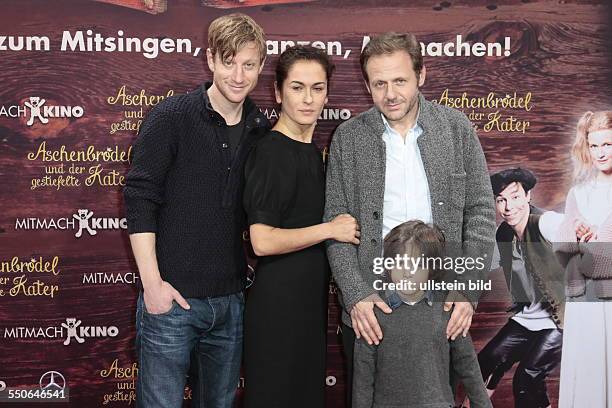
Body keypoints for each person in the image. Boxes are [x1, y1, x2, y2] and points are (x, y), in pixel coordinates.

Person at [323, 32, 496, 405]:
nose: (390, 93)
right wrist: (356, 296)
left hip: (443, 309)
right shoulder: (348, 138)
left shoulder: (456, 128)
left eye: (400, 80)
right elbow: (337, 229)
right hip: (372, 311)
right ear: (367, 84)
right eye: (379, 83)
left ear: (421, 75)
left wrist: (467, 289)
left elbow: (482, 213)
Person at [123, 14, 269, 408]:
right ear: (210, 60)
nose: (238, 75)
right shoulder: (171, 116)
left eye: (249, 64)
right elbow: (139, 197)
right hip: (170, 301)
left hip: (231, 303)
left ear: (261, 65)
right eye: (228, 61)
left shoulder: (261, 129)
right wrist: (152, 285)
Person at [242, 45, 360, 408]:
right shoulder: (271, 152)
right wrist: (329, 230)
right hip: (278, 307)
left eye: (317, 88)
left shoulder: (312, 152)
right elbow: (262, 240)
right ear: (278, 93)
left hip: (308, 307)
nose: (308, 99)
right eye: (297, 88)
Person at [353, 220, 493, 408]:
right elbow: (363, 378)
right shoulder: (373, 314)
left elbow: (469, 368)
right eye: (400, 262)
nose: (407, 272)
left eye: (417, 264)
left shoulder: (447, 311)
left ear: (431, 268)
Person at [468, 168, 564, 408]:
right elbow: (480, 265)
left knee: (527, 378)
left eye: (515, 197)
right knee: (485, 363)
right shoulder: (504, 233)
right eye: (501, 200)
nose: (508, 207)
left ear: (528, 196)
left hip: (562, 321)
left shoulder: (547, 223)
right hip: (528, 319)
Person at [555, 111, 612, 408]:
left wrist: (591, 245)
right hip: (581, 302)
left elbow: (601, 262)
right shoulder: (578, 193)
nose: (600, 153)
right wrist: (578, 236)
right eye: (594, 145)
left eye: (607, 145)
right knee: (586, 376)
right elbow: (562, 252)